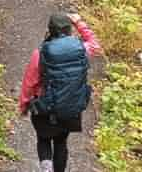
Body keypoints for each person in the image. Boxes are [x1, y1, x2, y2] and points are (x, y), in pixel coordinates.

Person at [18, 12, 100, 172]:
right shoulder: (81, 49)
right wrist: (80, 23)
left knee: (43, 139)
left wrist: (24, 104)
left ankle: (46, 167)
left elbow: (29, 83)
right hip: (70, 109)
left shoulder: (40, 53)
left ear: (50, 30)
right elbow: (95, 45)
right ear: (70, 30)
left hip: (45, 109)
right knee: (61, 143)